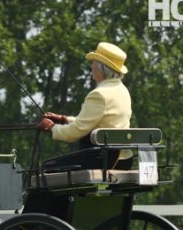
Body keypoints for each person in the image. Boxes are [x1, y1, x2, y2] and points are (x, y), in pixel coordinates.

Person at [37, 42, 133, 170]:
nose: (91, 66)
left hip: (102, 161)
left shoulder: (99, 94)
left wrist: (52, 128)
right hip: (124, 160)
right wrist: (64, 119)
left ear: (101, 67)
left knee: (47, 168)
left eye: (93, 62)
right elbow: (97, 122)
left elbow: (76, 131)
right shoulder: (122, 90)